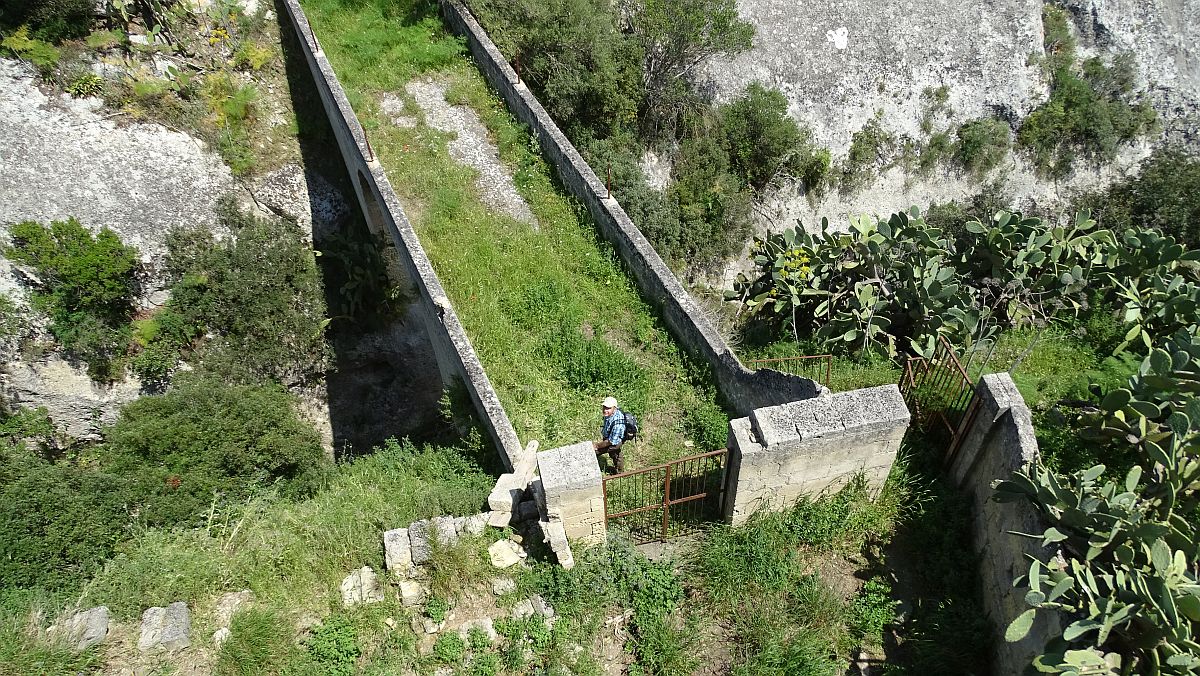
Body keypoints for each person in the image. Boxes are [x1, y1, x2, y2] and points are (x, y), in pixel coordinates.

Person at [594, 396, 626, 473]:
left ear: (614, 408)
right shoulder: (610, 414)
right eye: (604, 407)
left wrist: (597, 445)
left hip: (614, 442)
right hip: (610, 438)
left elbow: (611, 441)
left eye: (608, 408)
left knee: (596, 451)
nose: (605, 410)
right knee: (615, 454)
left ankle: (619, 473)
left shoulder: (618, 423)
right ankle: (619, 471)